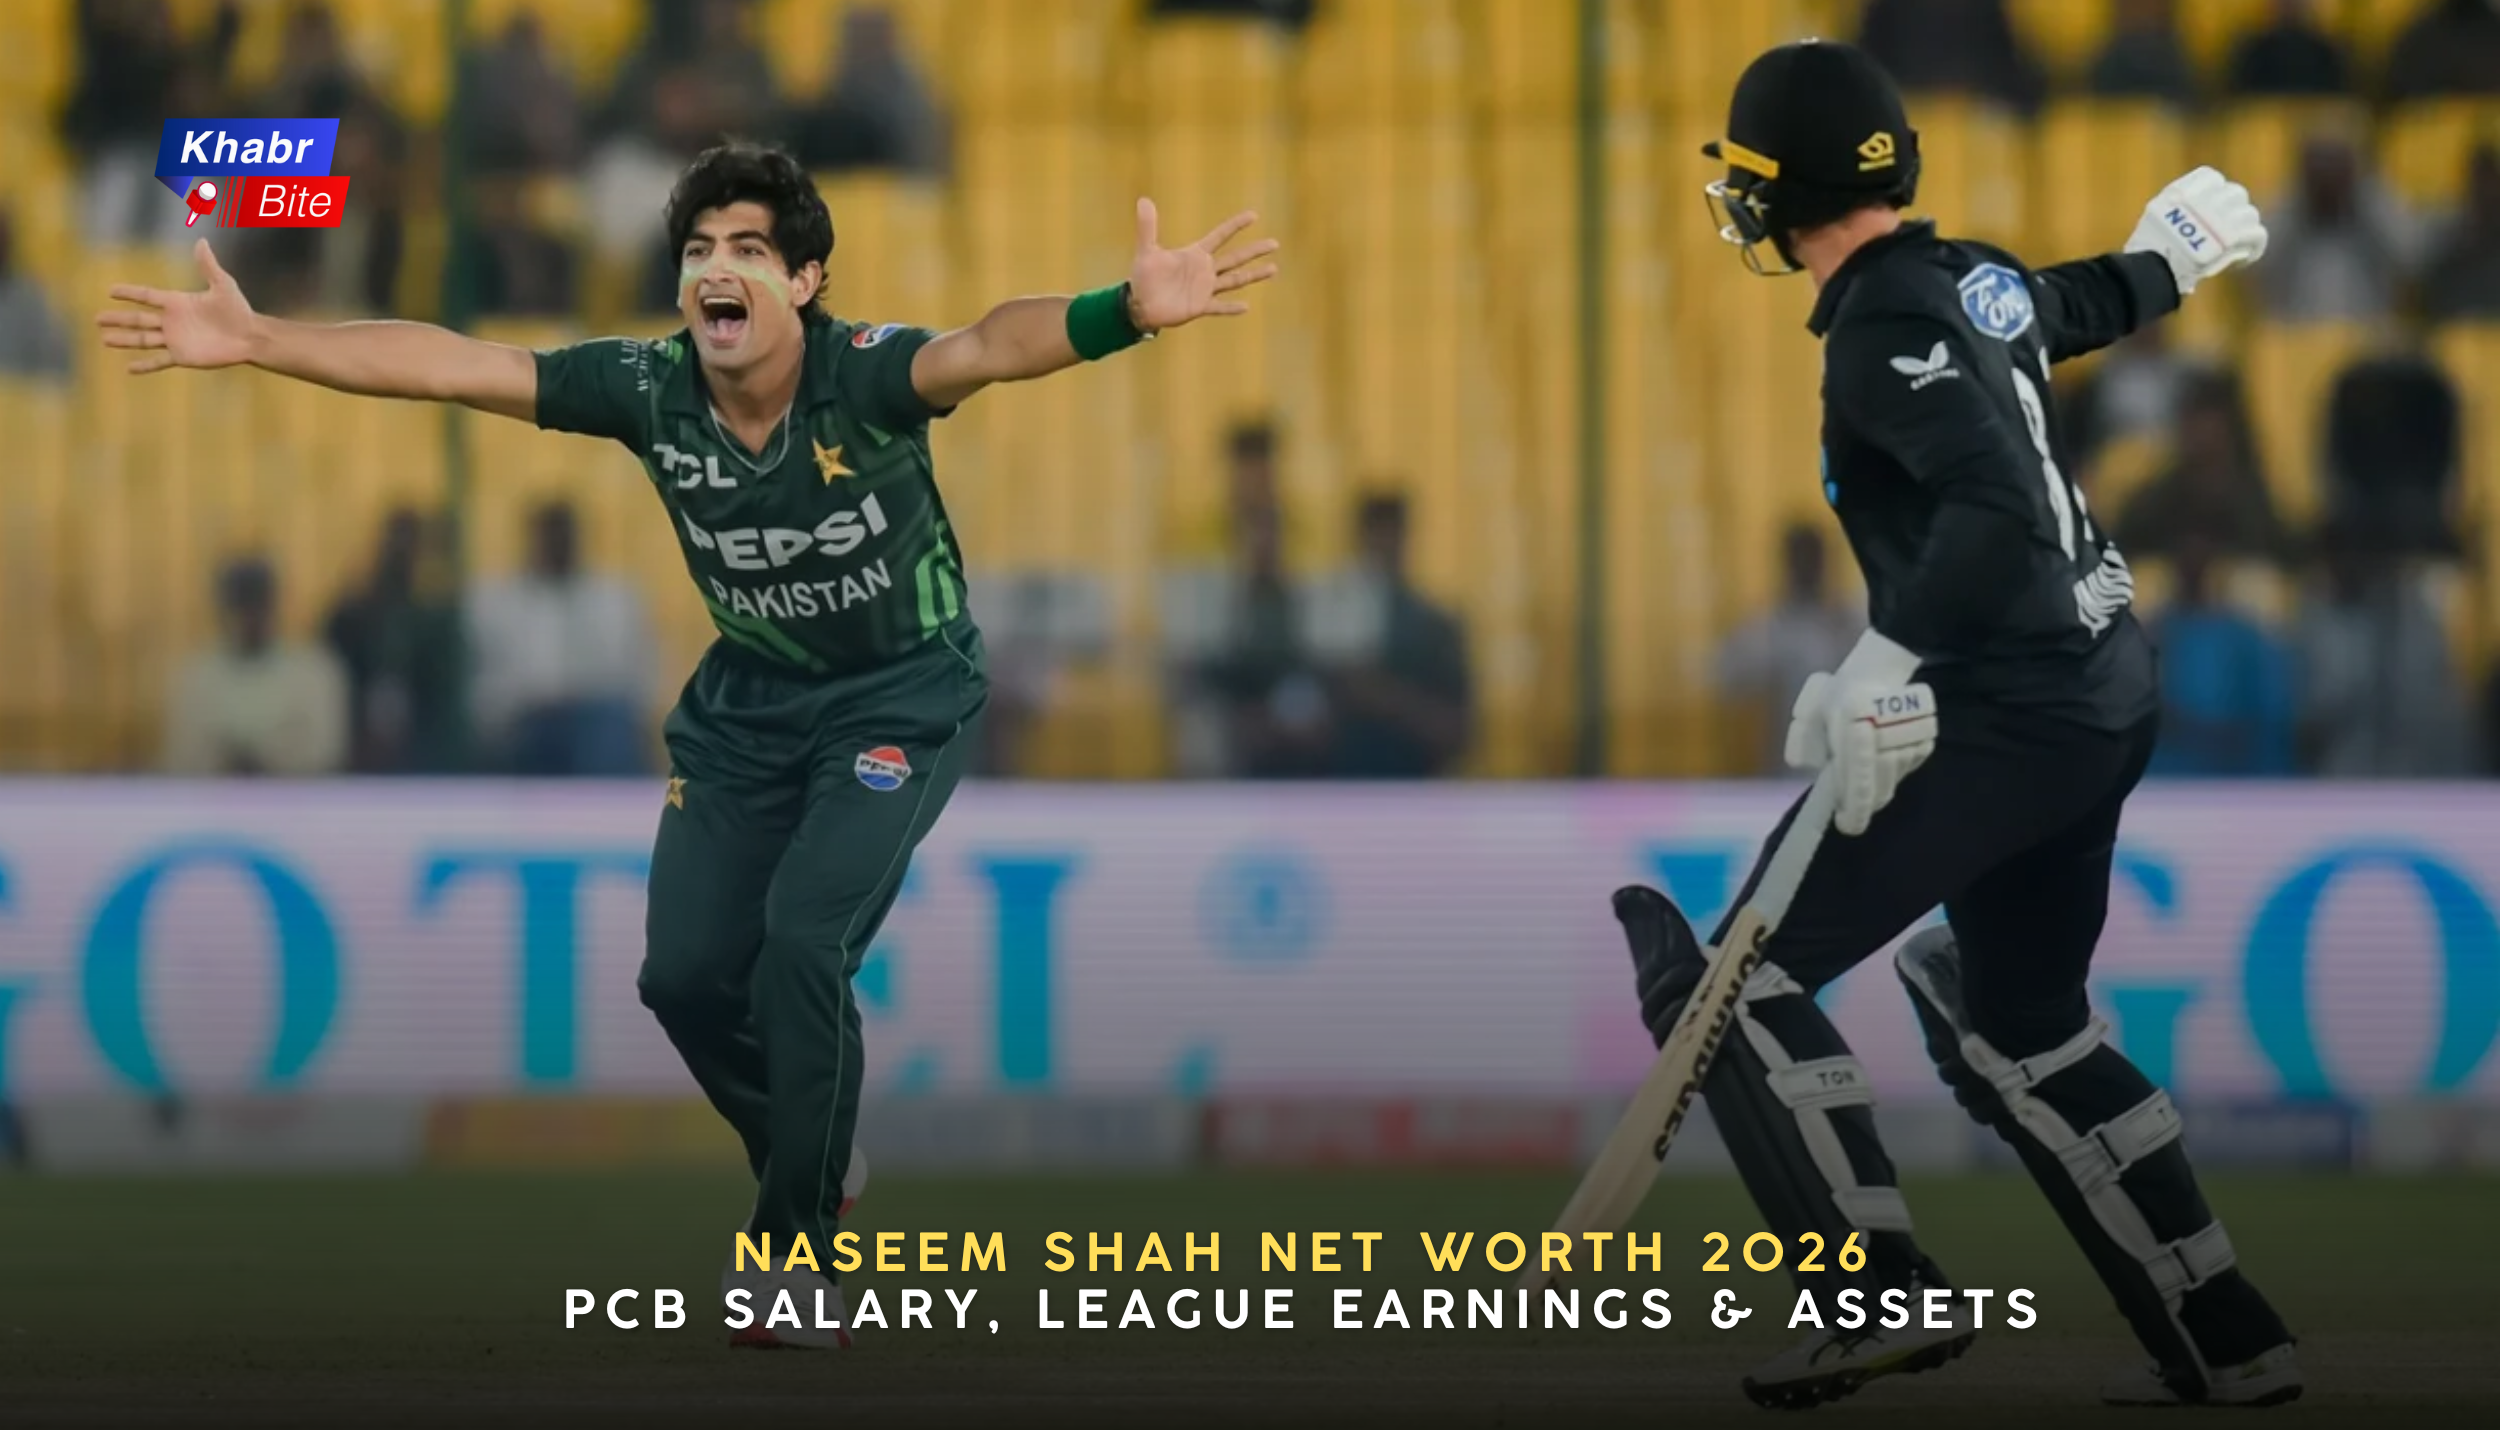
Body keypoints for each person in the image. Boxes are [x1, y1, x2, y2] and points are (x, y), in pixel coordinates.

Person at [98, 142, 1276, 1344]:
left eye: (749, 250)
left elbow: (987, 344)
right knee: (683, 979)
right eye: (699, 250)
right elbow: (455, 364)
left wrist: (1124, 312)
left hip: (899, 697)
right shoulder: (647, 387)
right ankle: (815, 1148)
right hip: (746, 709)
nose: (717, 268)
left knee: (803, 938)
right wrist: (263, 338)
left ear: (805, 282)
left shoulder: (863, 376)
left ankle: (796, 1252)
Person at [1627, 39, 2298, 1409]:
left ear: (1779, 195)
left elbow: (1992, 507)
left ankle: (1875, 1296)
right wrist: (2163, 266)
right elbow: (2058, 306)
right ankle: (2227, 1332)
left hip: (2008, 711)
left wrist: (1882, 664)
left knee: (1735, 987)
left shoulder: (1877, 334)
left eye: (1747, 176)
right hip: (2103, 693)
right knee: (2019, 1020)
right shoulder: (1963, 277)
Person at [464, 500, 654, 775]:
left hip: (592, 721)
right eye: (549, 536)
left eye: (564, 535)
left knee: (610, 728)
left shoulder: (614, 599)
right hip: (522, 721)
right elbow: (483, 685)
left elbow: (636, 678)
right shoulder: (496, 602)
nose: (557, 544)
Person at [162, 557, 350, 776]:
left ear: (273, 606)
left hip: (294, 795)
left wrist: (268, 763)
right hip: (215, 795)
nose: (250, 617)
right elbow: (185, 757)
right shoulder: (197, 678)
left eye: (258, 606)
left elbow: (325, 753)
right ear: (224, 611)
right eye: (241, 607)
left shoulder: (313, 673)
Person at [1713, 522, 1864, 774]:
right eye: (1799, 559)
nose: (1807, 568)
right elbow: (1724, 676)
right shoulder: (1769, 627)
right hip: (1785, 775)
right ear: (1788, 564)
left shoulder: (1849, 624)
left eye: (1812, 559)